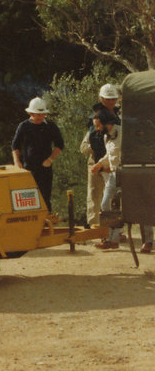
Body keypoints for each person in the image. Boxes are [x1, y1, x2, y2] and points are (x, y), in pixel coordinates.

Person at [12, 97, 64, 213]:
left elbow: (59, 145)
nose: (40, 117)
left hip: (45, 168)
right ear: (31, 113)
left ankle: (47, 223)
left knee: (45, 196)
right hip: (29, 167)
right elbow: (15, 146)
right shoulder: (23, 126)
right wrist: (17, 162)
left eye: (42, 114)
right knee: (28, 196)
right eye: (37, 114)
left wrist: (50, 160)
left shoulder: (50, 126)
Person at [81, 84, 121, 228]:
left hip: (110, 161)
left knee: (110, 198)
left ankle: (111, 229)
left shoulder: (117, 115)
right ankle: (95, 227)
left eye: (113, 99)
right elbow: (95, 140)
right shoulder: (96, 116)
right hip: (98, 160)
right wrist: (101, 163)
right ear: (101, 98)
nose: (110, 102)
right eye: (107, 99)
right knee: (95, 195)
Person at [92, 108, 124, 249]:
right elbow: (109, 156)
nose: (97, 129)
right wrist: (100, 163)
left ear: (107, 123)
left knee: (124, 206)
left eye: (98, 125)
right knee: (106, 205)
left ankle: (147, 240)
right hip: (113, 176)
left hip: (126, 174)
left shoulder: (123, 132)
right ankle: (112, 239)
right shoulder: (106, 137)